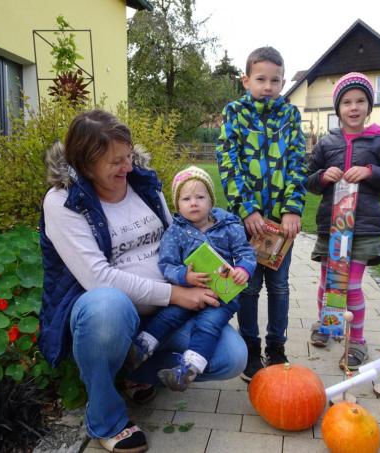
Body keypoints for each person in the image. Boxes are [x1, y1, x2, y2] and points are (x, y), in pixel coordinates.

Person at [39, 110, 247, 453]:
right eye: (115, 162)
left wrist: (218, 230)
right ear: (85, 165)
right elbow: (97, 278)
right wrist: (177, 294)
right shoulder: (63, 201)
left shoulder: (142, 184)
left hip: (165, 311)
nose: (128, 168)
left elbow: (176, 232)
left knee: (231, 357)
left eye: (128, 156)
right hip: (109, 313)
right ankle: (105, 418)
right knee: (108, 305)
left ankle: (133, 369)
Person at [216, 46, 307, 381]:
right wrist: (246, 210)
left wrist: (292, 209)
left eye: (275, 80)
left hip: (282, 226)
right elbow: (228, 162)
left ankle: (277, 347)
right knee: (249, 287)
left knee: (280, 287)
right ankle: (250, 347)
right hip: (248, 224)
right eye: (261, 79)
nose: (268, 86)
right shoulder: (234, 113)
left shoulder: (290, 115)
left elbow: (298, 161)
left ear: (283, 82)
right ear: (246, 80)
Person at [305, 72, 380, 370]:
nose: (353, 107)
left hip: (363, 229)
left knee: (350, 286)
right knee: (327, 282)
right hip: (331, 226)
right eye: (347, 102)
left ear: (368, 106)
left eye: (360, 101)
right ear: (337, 108)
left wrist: (371, 172)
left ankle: (358, 341)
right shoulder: (326, 143)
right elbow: (308, 182)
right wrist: (323, 177)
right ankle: (329, 325)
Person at [128, 166, 257, 392]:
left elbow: (246, 253)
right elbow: (166, 264)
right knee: (169, 315)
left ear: (211, 200)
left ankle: (187, 369)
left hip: (221, 296)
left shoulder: (229, 226)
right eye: (186, 198)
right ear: (178, 206)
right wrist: (184, 276)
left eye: (200, 197)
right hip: (186, 291)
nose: (193, 203)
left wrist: (243, 270)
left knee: (208, 325)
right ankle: (140, 349)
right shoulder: (175, 232)